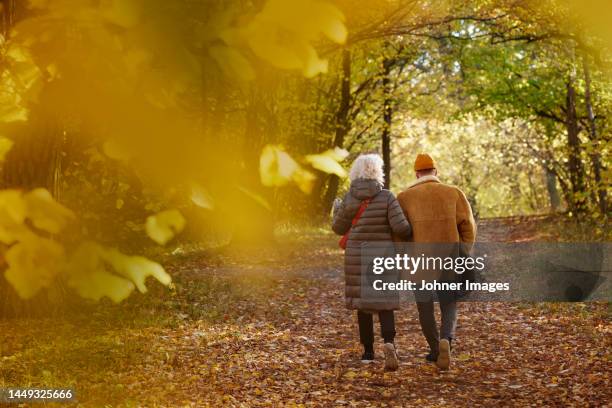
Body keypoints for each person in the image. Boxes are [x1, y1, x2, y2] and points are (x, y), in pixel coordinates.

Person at [332, 154, 412, 371]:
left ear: (356, 172)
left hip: (357, 255)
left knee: (363, 305)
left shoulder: (350, 197)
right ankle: (389, 343)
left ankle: (368, 352)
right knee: (384, 302)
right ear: (378, 172)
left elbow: (338, 228)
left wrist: (336, 211)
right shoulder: (386, 197)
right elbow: (402, 228)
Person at [396, 153, 476, 370]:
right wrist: (463, 252)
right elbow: (468, 226)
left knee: (424, 307)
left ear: (416, 173)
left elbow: (398, 234)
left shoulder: (404, 198)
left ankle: (434, 348)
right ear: (436, 172)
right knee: (449, 303)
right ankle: (446, 340)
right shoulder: (453, 193)